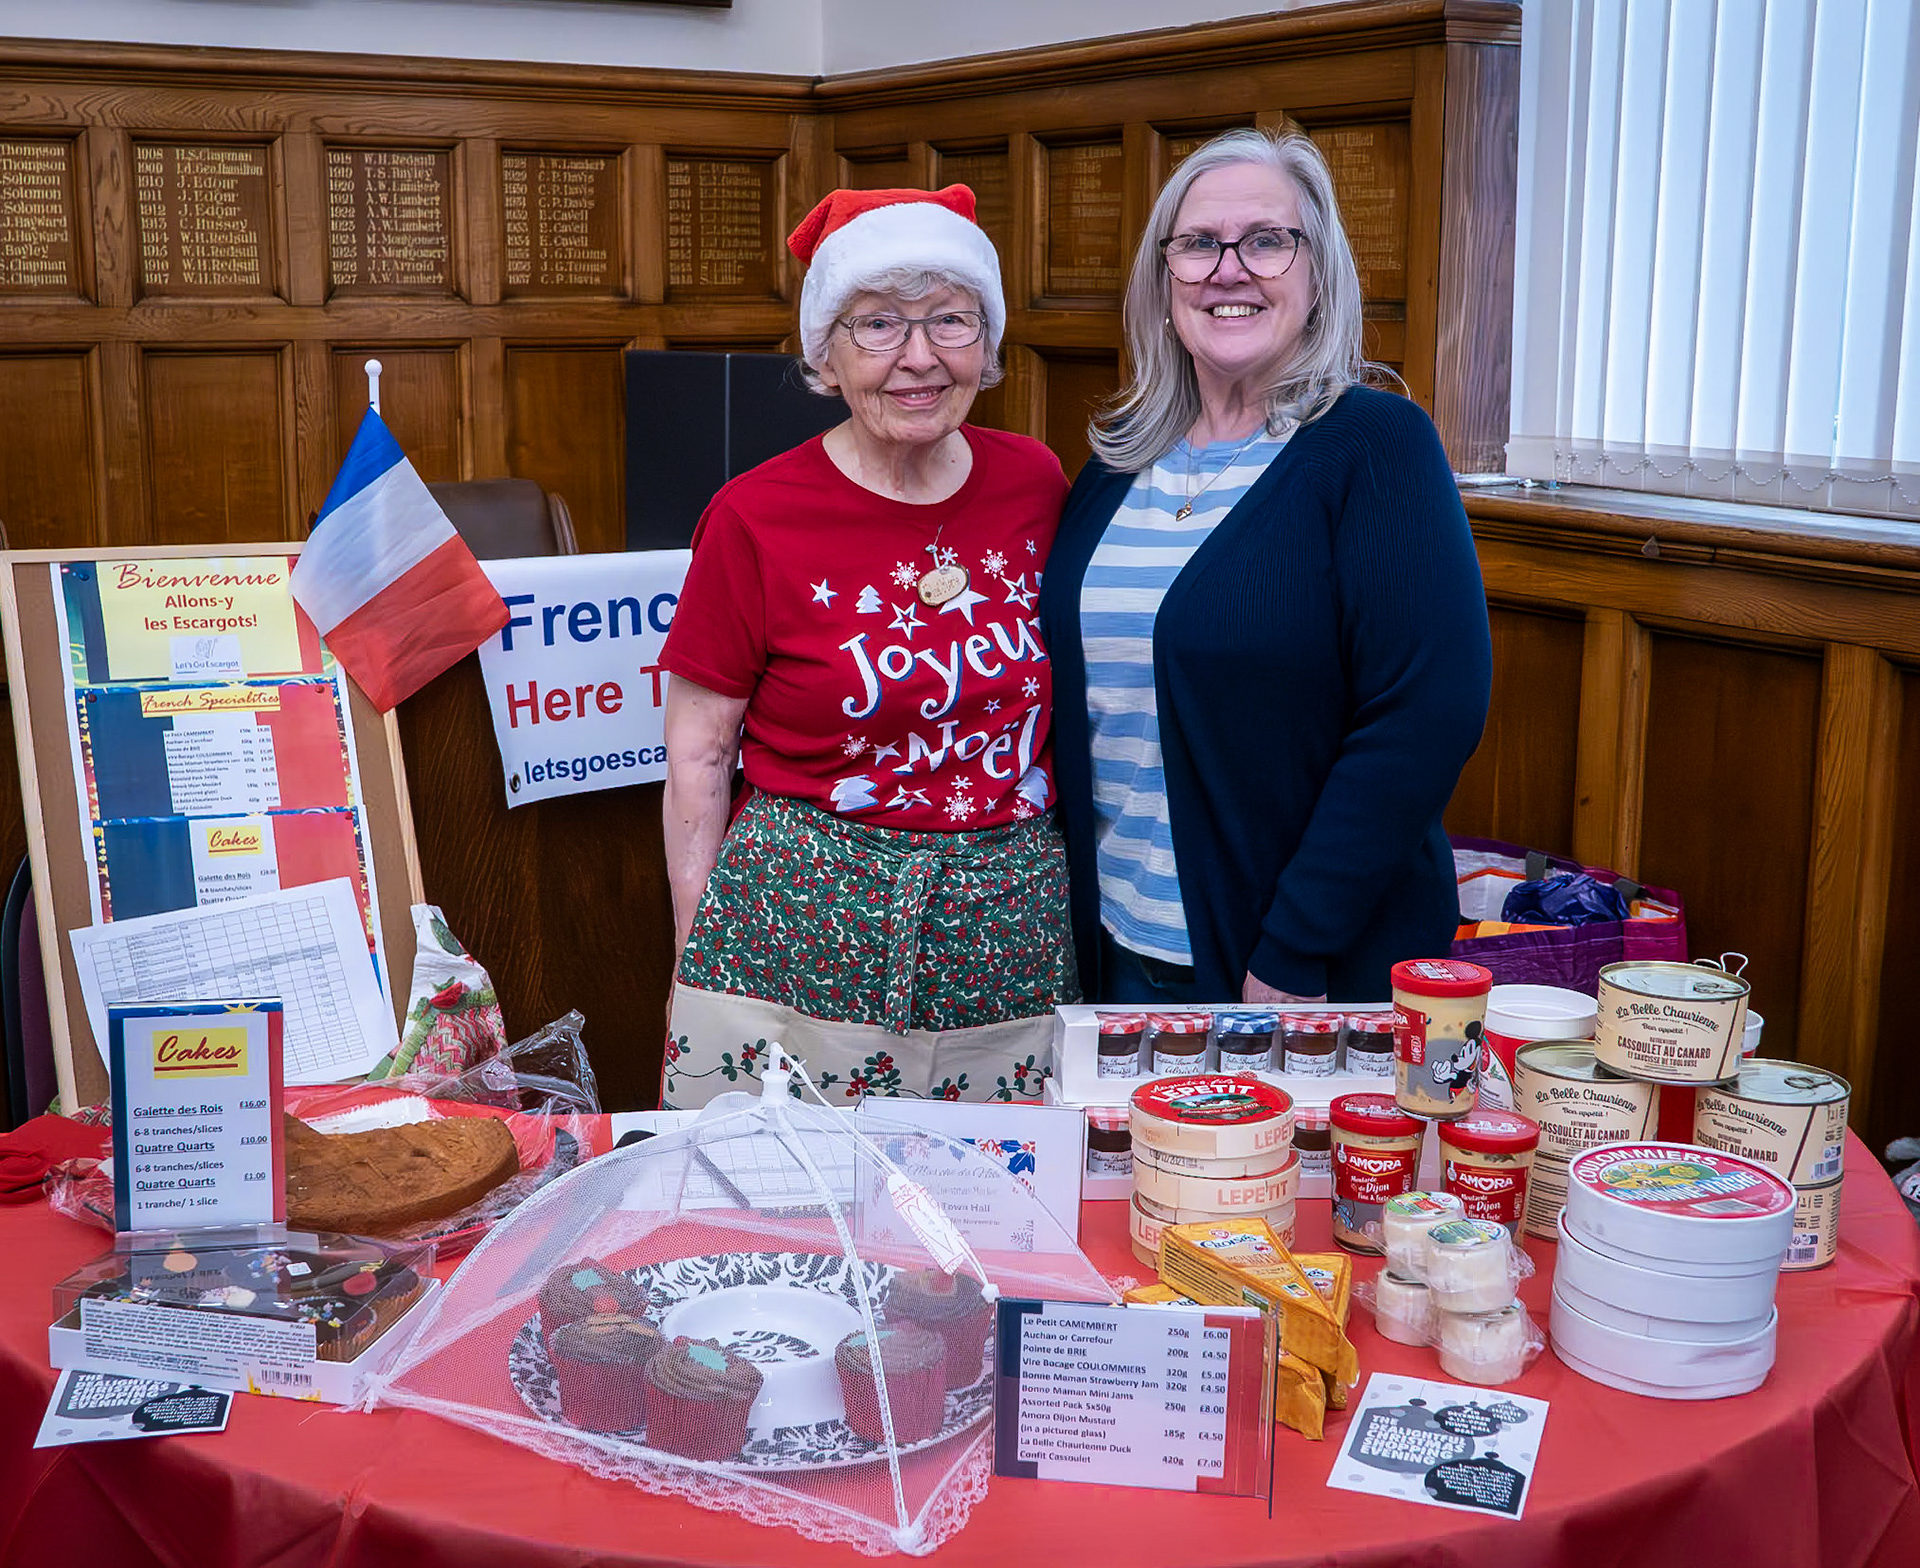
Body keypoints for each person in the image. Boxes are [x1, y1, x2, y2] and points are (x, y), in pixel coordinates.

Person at [1037, 129, 1492, 1009]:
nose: (1228, 269)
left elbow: (1426, 716)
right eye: (1199, 244)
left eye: (1267, 241)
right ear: (1164, 280)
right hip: (1115, 946)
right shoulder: (1111, 469)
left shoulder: (1375, 447)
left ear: (1316, 272)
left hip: (1296, 971)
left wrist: (1292, 949)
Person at [659, 185, 1077, 1108]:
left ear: (988, 341)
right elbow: (698, 752)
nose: (918, 358)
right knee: (779, 1216)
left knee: (998, 1216)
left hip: (1006, 926)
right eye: (878, 325)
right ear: (826, 355)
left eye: (950, 320)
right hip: (797, 916)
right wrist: (699, 959)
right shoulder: (754, 516)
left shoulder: (1037, 483)